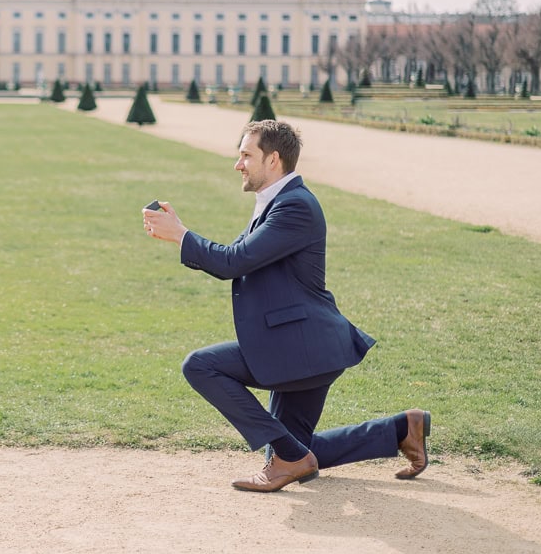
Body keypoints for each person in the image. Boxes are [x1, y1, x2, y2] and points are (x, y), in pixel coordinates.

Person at [142, 120, 430, 492]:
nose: (238, 163)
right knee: (296, 449)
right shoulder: (278, 200)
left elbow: (233, 262)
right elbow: (232, 258)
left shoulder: (294, 206)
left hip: (301, 348)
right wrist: (180, 231)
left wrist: (180, 235)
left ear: (273, 159)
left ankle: (291, 457)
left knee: (201, 366)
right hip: (303, 343)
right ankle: (403, 429)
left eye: (246, 155)